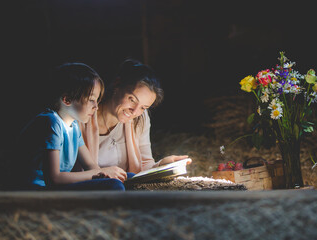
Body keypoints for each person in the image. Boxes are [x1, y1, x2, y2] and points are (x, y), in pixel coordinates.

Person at [13, 62, 127, 190]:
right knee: (114, 185)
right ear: (67, 100)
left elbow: (90, 165)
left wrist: (106, 173)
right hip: (38, 189)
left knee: (127, 178)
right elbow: (54, 179)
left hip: (56, 186)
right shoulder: (51, 123)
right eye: (91, 100)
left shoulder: (73, 125)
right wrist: (102, 174)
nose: (96, 107)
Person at [77, 58, 190, 181]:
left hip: (126, 189)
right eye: (132, 99)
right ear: (117, 84)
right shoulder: (83, 115)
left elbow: (144, 164)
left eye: (143, 107)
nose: (135, 112)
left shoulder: (140, 118)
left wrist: (162, 165)